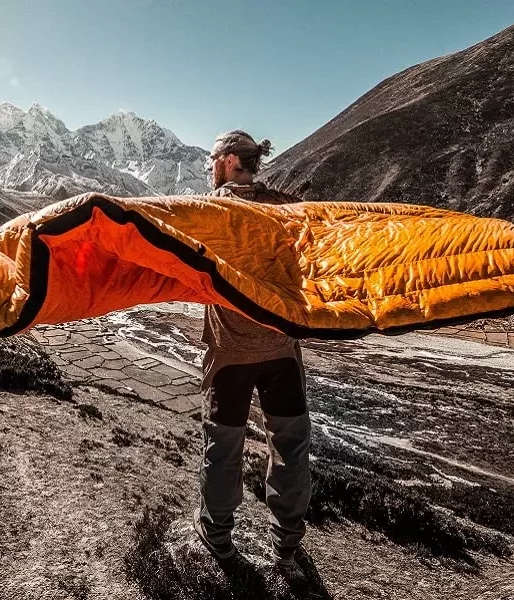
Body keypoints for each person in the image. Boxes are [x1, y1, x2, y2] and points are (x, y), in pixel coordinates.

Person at [192, 130, 312, 570]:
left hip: (229, 357)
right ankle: (286, 544)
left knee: (223, 447)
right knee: (292, 444)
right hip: (281, 350)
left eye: (211, 161)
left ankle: (218, 537)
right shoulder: (285, 210)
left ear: (226, 162)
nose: (209, 168)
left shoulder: (208, 212)